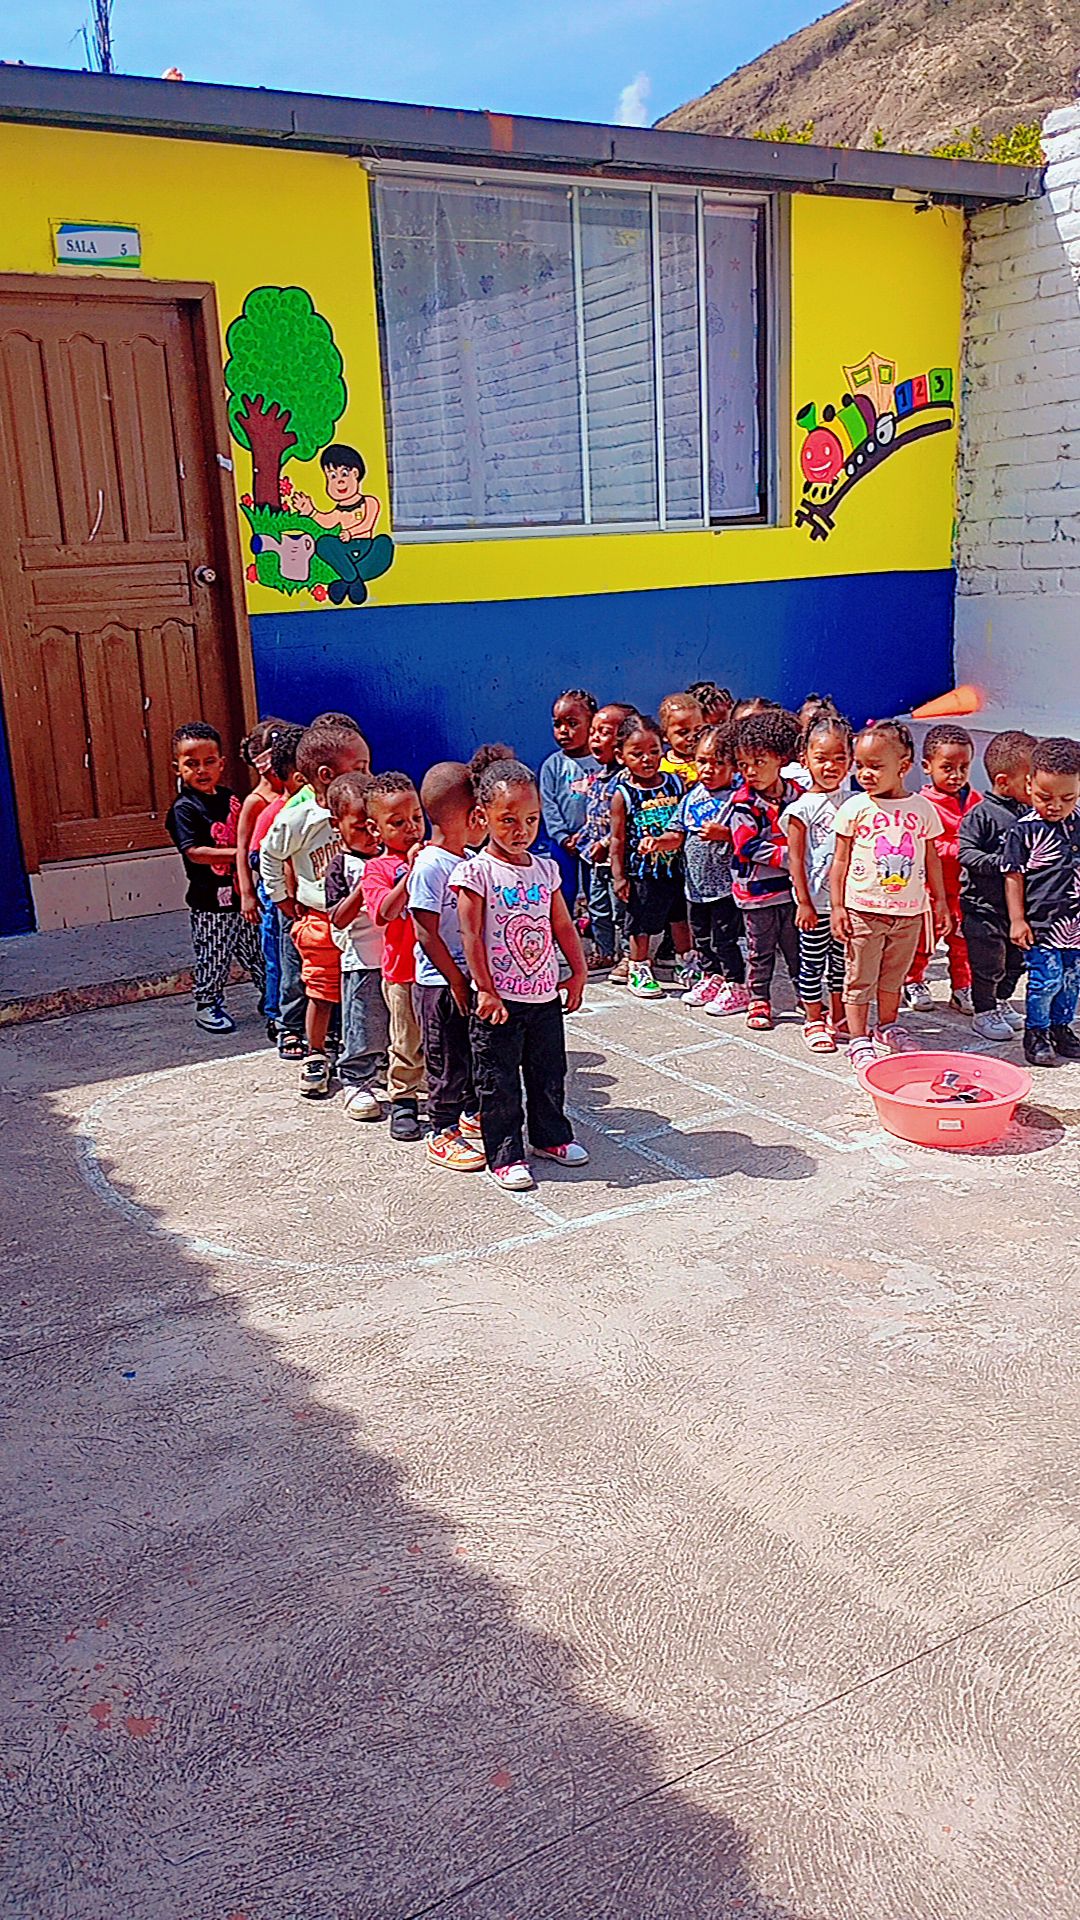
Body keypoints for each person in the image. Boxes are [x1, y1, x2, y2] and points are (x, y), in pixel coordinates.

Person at [453, 757, 589, 1191]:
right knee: (499, 1081)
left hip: (543, 995)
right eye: (508, 820)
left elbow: (561, 924)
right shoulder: (477, 872)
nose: (521, 830)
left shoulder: (545, 869)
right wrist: (485, 990)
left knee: (549, 1072)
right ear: (483, 817)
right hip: (500, 1001)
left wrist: (577, 971)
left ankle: (551, 1137)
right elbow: (471, 935)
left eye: (531, 819)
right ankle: (505, 1154)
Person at [830, 720, 949, 1073]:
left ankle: (887, 1026)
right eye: (860, 765)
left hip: (909, 913)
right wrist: (837, 906)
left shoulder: (922, 809)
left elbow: (932, 859)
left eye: (875, 766)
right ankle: (858, 1039)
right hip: (863, 911)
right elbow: (840, 860)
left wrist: (939, 901)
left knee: (893, 977)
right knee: (860, 976)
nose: (865, 774)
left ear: (904, 765)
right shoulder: (855, 807)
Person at [260, 720, 369, 1097]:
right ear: (326, 775)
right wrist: (280, 897)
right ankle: (316, 1053)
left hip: (363, 921)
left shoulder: (365, 810)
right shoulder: (298, 817)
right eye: (360, 768)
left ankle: (365, 1053)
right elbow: (270, 854)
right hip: (320, 919)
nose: (368, 775)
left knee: (364, 989)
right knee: (321, 992)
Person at [407, 761, 486, 1173]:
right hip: (438, 983)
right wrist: (455, 979)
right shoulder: (429, 865)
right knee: (446, 1061)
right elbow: (425, 933)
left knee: (471, 1052)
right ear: (470, 815)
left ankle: (471, 1114)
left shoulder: (469, 858)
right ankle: (441, 1130)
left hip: (467, 978)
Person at [165, 722, 266, 1035]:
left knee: (258, 950)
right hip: (210, 902)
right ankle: (207, 1003)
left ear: (221, 763)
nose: (202, 770)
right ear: (178, 768)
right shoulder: (184, 809)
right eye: (191, 763)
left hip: (243, 895)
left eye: (209, 761)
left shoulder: (229, 798)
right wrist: (241, 854)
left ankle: (272, 996)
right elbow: (195, 852)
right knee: (214, 954)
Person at [646, 721, 748, 1016]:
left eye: (718, 763)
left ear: (733, 766)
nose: (709, 769)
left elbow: (750, 837)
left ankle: (735, 984)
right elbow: (677, 834)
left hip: (725, 888)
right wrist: (658, 842)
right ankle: (711, 977)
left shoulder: (739, 798)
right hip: (695, 886)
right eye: (702, 761)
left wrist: (725, 834)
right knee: (701, 938)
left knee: (724, 939)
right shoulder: (692, 797)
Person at [1003, 735, 1080, 1068]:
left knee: (1071, 980)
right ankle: (1036, 1032)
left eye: (1068, 798)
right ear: (1029, 784)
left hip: (1075, 925)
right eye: (1045, 797)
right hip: (1042, 926)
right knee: (1046, 980)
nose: (1056, 806)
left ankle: (1061, 1028)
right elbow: (1013, 876)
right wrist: (1017, 919)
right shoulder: (1023, 831)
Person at [782, 707, 854, 1051]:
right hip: (815, 904)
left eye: (839, 758)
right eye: (821, 758)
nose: (830, 766)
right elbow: (795, 859)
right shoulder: (801, 808)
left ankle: (839, 1016)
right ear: (805, 759)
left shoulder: (855, 802)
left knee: (841, 964)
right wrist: (804, 903)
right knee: (811, 964)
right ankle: (813, 1019)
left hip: (847, 904)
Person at [609, 713, 693, 1002]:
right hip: (643, 873)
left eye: (654, 751)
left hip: (675, 869)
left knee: (679, 918)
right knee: (641, 923)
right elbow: (618, 839)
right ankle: (639, 967)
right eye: (637, 753)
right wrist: (619, 876)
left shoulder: (675, 784)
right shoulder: (623, 795)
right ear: (621, 756)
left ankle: (686, 962)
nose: (647, 759)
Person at [727, 707, 803, 1031]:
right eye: (743, 764)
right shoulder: (743, 804)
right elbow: (747, 846)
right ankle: (758, 998)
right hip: (757, 893)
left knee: (797, 948)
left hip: (792, 892)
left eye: (759, 762)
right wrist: (791, 856)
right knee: (760, 950)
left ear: (781, 759)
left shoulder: (798, 796)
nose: (751, 771)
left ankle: (807, 997)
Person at [362, 772, 428, 1141]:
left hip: (439, 969)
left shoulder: (434, 854)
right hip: (403, 972)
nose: (411, 828)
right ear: (376, 829)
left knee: (443, 1038)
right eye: (398, 823)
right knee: (405, 1040)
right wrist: (410, 874)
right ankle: (403, 1098)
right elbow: (383, 912)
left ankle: (446, 1093)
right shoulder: (377, 869)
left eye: (416, 817)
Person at [958, 729, 1035, 1042]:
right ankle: (984, 1010)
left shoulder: (1030, 813)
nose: (1035, 786)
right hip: (983, 908)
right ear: (1003, 782)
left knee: (1016, 961)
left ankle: (1002, 1000)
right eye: (1028, 780)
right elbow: (966, 853)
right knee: (988, 964)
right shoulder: (981, 814)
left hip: (1017, 909)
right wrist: (1002, 863)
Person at [324, 770, 390, 1123]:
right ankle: (356, 1080)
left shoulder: (392, 856)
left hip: (398, 960)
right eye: (360, 827)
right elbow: (337, 917)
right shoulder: (341, 866)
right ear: (337, 824)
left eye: (374, 826)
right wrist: (366, 885)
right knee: (363, 1023)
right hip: (362, 960)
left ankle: (395, 1073)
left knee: (399, 1024)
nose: (369, 835)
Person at [905, 722, 981, 1015]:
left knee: (963, 944)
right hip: (931, 891)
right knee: (925, 942)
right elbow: (926, 847)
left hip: (966, 891)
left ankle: (962, 988)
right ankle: (913, 981)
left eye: (963, 767)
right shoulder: (922, 805)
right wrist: (962, 850)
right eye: (947, 768)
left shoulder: (976, 802)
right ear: (927, 766)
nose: (956, 775)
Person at [251, 723, 306, 1057]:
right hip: (287, 904)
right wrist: (282, 898)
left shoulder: (326, 810)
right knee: (287, 966)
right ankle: (285, 1023)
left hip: (317, 905)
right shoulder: (279, 812)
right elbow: (261, 856)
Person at [235, 716, 288, 1040]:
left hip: (293, 888)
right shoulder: (257, 802)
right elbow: (243, 850)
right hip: (270, 889)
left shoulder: (293, 796)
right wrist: (247, 894)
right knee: (274, 953)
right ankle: (274, 1011)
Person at [289, 447, 394, 606]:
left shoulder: (369, 502)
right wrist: (310, 511)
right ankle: (353, 579)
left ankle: (346, 581)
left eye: (344, 474)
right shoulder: (338, 511)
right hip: (346, 550)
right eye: (332, 476)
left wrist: (351, 532)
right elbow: (326, 521)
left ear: (355, 474)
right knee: (324, 542)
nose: (339, 481)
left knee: (384, 542)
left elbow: (367, 524)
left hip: (366, 548)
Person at [581, 702, 637, 981]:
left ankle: (628, 955)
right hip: (595, 861)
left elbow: (624, 822)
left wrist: (604, 843)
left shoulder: (626, 779)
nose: (595, 738)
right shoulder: (598, 777)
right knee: (598, 908)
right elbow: (593, 816)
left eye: (604, 732)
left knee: (621, 910)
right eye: (593, 731)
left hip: (617, 860)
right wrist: (582, 837)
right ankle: (604, 951)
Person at [538, 688, 600, 910]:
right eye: (558, 724)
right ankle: (563, 926)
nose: (563, 731)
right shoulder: (552, 765)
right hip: (563, 843)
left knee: (596, 889)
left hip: (596, 841)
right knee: (564, 888)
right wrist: (563, 837)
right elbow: (548, 804)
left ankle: (596, 925)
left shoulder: (602, 762)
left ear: (592, 724)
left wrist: (591, 833)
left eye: (572, 723)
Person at [658, 692, 705, 785]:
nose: (692, 737)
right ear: (665, 735)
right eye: (683, 732)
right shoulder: (661, 767)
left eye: (698, 730)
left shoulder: (709, 759)